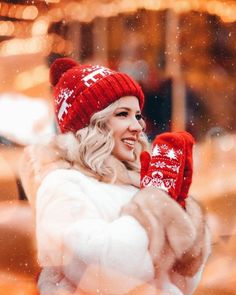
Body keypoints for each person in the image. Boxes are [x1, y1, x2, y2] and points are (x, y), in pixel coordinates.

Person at [20, 57, 211, 295]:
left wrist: (178, 208)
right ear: (92, 124)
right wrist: (155, 202)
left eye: (138, 115)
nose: (138, 126)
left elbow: (181, 280)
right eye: (123, 114)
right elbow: (104, 275)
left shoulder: (133, 182)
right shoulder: (61, 185)